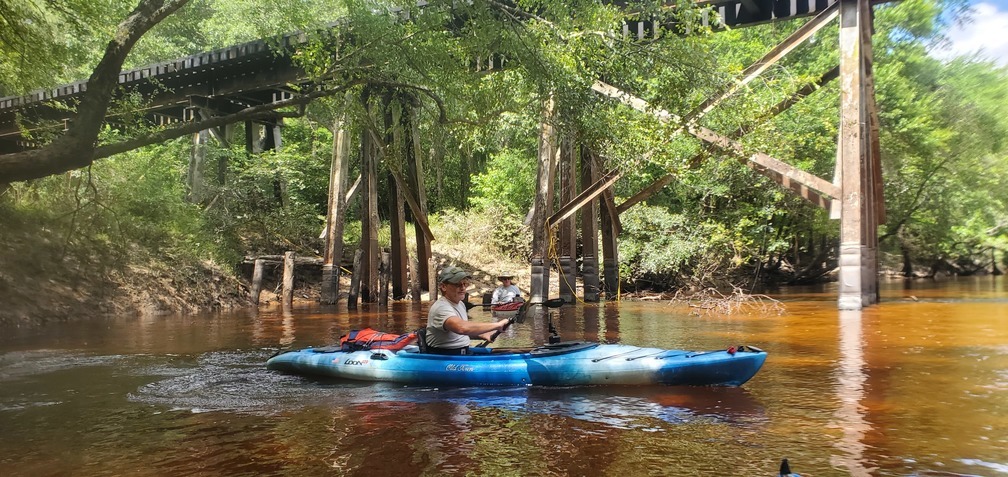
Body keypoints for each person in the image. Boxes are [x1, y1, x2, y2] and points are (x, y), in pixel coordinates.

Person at [425, 266, 511, 355]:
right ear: (443, 287)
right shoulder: (441, 308)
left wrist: (483, 335)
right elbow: (462, 328)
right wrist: (497, 325)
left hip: (463, 354)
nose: (463, 288)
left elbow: (459, 333)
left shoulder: (460, 304)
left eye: (465, 284)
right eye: (457, 284)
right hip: (445, 357)